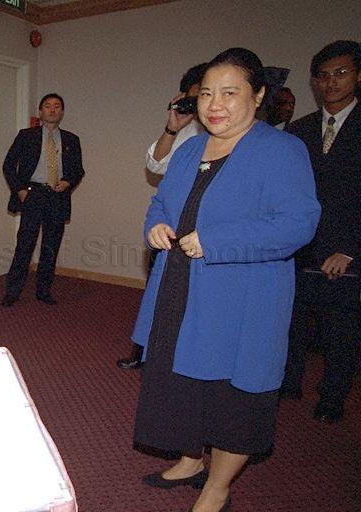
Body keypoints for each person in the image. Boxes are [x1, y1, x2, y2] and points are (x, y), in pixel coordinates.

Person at [131, 48, 319, 512]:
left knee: (232, 397)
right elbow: (162, 204)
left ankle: (218, 486)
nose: (215, 103)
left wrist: (218, 240)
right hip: (180, 287)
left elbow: (298, 223)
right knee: (182, 386)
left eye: (230, 92)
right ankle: (191, 458)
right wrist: (154, 225)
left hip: (242, 296)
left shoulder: (281, 149)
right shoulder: (191, 147)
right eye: (207, 94)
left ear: (257, 96)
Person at [282, 40, 361, 423]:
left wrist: (350, 248)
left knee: (340, 331)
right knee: (290, 320)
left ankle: (333, 394)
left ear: (358, 76)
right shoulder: (298, 131)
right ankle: (288, 381)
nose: (331, 83)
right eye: (323, 76)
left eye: (341, 73)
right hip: (298, 246)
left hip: (346, 251)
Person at [118, 63, 207, 371]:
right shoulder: (183, 130)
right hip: (168, 225)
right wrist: (173, 126)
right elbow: (155, 165)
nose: (200, 104)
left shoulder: (223, 134)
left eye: (204, 95)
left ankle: (181, 357)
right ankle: (141, 350)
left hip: (203, 230)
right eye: (194, 96)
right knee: (156, 293)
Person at [1, 93, 85, 307]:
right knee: (25, 244)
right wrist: (20, 189)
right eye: (48, 106)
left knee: (51, 245)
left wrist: (67, 182)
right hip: (32, 194)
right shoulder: (26, 135)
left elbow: (78, 169)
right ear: (41, 111)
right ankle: (12, 291)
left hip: (57, 195)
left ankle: (43, 290)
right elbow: (9, 165)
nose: (52, 110)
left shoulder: (71, 139)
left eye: (57, 106)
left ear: (62, 112)